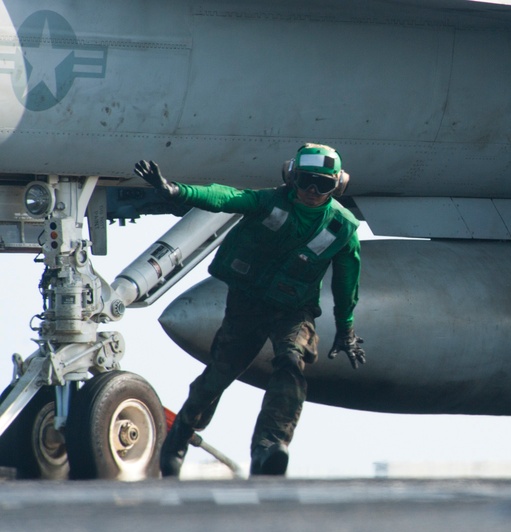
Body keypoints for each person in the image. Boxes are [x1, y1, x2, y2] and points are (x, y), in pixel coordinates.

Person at [133, 143, 366, 477]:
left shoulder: (342, 229)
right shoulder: (268, 202)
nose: (313, 191)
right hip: (248, 302)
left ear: (337, 186)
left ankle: (270, 447)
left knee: (291, 361)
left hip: (294, 309)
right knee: (218, 376)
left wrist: (346, 330)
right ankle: (180, 435)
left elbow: (347, 282)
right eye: (306, 181)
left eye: (323, 185)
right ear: (292, 177)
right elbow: (224, 197)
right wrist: (174, 190)